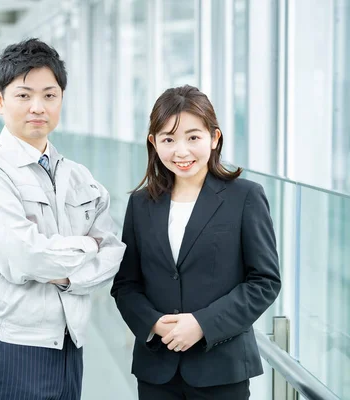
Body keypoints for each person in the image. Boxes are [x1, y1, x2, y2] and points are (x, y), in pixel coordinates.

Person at [0, 38, 126, 400]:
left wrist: (62, 270)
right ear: (0, 100)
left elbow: (112, 250)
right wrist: (85, 247)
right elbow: (24, 256)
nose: (38, 107)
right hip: (12, 346)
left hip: (68, 343)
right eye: (24, 95)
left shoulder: (77, 175)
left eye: (49, 95)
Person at [111, 85, 281, 399]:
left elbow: (264, 281)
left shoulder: (245, 197)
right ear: (154, 143)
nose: (181, 151)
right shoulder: (140, 204)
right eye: (168, 139)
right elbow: (125, 284)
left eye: (193, 137)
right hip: (156, 372)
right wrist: (155, 324)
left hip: (221, 370)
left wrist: (202, 324)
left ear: (214, 138)